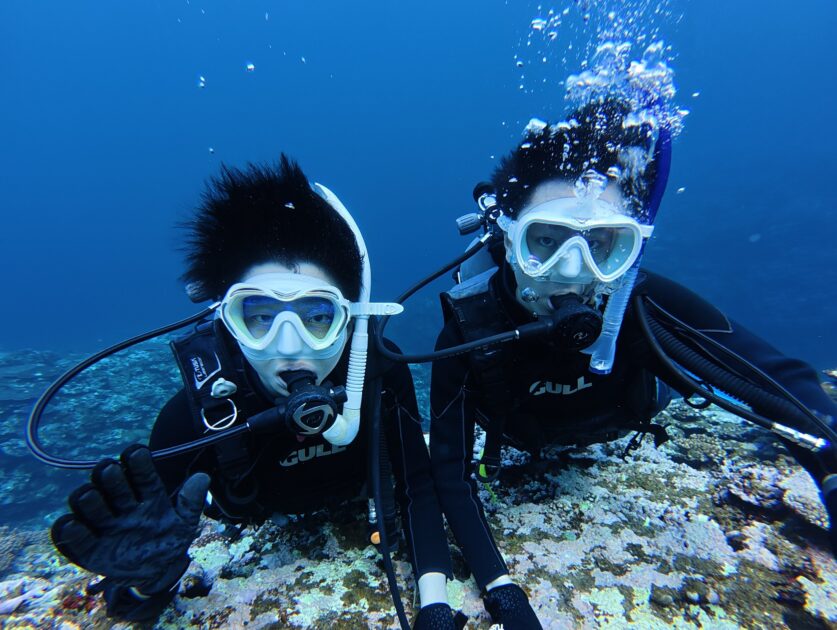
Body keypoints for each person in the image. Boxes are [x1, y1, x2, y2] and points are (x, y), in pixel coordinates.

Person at [425, 98, 837, 629]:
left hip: (622, 419)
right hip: (523, 438)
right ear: (509, 236)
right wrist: (503, 592)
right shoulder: (469, 330)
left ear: (629, 248)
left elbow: (780, 379)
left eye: (601, 245)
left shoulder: (639, 305)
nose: (571, 272)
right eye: (545, 241)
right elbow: (449, 472)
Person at [46, 156, 459, 627]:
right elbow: (128, 603)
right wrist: (147, 582)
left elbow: (418, 487)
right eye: (260, 317)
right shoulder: (194, 419)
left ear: (351, 321)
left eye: (317, 317)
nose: (290, 346)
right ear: (227, 321)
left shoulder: (380, 377)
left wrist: (434, 605)